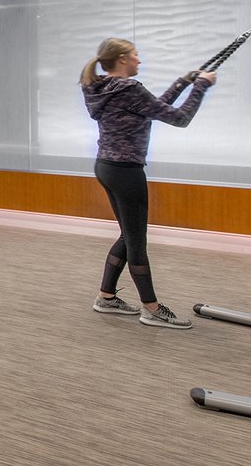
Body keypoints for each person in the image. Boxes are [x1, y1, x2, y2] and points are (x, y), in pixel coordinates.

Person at [80, 37, 215, 329]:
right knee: (136, 242)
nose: (139, 60)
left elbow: (154, 107)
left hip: (106, 166)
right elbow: (179, 118)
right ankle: (151, 308)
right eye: (135, 55)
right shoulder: (129, 88)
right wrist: (201, 85)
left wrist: (183, 82)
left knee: (128, 236)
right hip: (126, 172)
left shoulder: (101, 88)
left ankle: (106, 297)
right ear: (122, 59)